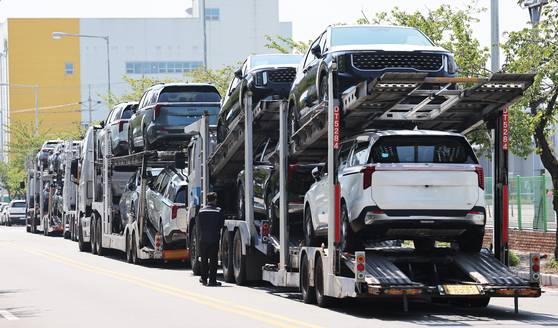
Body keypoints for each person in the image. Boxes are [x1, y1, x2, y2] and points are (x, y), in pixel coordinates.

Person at [197, 192, 225, 286]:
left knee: (204, 259)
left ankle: (204, 279)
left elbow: (199, 225)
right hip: (214, 238)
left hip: (203, 238)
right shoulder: (218, 211)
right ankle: (212, 281)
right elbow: (221, 225)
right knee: (213, 260)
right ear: (215, 199)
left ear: (207, 200)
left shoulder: (201, 211)